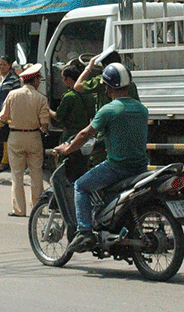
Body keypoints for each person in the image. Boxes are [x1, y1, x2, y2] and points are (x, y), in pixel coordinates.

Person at [55, 63, 149, 252]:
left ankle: (85, 232)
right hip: (140, 168)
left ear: (107, 87)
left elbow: (84, 135)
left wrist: (68, 149)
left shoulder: (109, 110)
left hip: (117, 168)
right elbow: (121, 135)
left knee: (80, 186)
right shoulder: (141, 109)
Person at [0, 64, 50, 217]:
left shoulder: (12, 95)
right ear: (34, 81)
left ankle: (19, 210)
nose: (39, 82)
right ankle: (37, 208)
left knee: (17, 175)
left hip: (15, 137)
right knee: (36, 174)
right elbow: (45, 125)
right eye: (39, 79)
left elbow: (2, 117)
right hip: (34, 137)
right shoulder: (41, 98)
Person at [51, 65, 91, 180]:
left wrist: (46, 109)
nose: (63, 82)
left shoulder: (69, 97)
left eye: (63, 79)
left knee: (64, 166)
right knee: (82, 166)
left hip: (70, 136)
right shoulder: (88, 95)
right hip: (84, 134)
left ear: (68, 79)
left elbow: (58, 117)